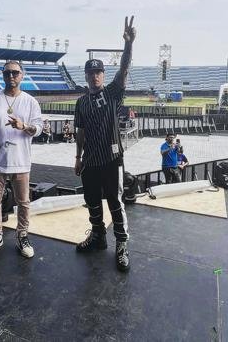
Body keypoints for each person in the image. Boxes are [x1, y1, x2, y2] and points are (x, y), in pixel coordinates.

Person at [74, 15, 136, 272]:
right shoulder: (81, 102)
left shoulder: (111, 93)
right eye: (91, 73)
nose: (94, 76)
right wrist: (78, 157)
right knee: (92, 200)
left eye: (98, 72)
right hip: (90, 160)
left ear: (103, 74)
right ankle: (98, 236)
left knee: (115, 202)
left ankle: (121, 244)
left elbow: (124, 70)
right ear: (86, 76)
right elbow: (80, 131)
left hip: (112, 160)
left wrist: (128, 44)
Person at [0, 61, 43, 260]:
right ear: (2, 75)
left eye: (15, 72)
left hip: (20, 160)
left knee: (23, 202)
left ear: (22, 75)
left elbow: (38, 128)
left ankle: (22, 235)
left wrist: (24, 126)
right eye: (7, 73)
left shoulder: (30, 101)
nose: (11, 76)